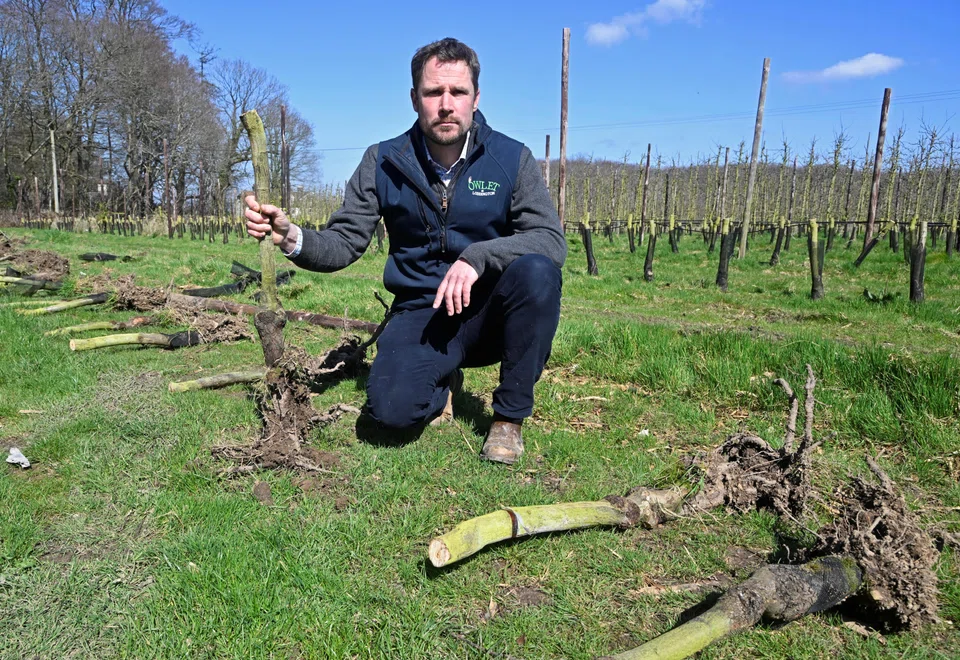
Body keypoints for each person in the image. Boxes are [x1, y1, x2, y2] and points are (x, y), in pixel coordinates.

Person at [244, 38, 566, 464]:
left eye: (458, 92)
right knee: (391, 414)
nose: (446, 105)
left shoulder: (511, 158)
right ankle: (442, 381)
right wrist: (291, 237)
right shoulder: (383, 161)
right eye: (434, 92)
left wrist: (478, 258)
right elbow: (345, 241)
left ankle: (509, 417)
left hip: (492, 315)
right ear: (415, 99)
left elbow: (549, 239)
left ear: (476, 98)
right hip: (422, 312)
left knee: (539, 272)